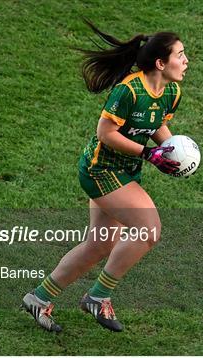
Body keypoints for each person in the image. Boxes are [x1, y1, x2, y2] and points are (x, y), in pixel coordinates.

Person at [21, 19, 189, 333]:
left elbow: (156, 125)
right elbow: (105, 132)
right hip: (100, 170)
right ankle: (98, 296)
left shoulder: (171, 91)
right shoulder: (128, 90)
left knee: (99, 244)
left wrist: (172, 150)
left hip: (124, 171)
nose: (185, 60)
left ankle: (38, 298)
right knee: (148, 230)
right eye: (180, 54)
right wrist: (146, 154)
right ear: (159, 62)